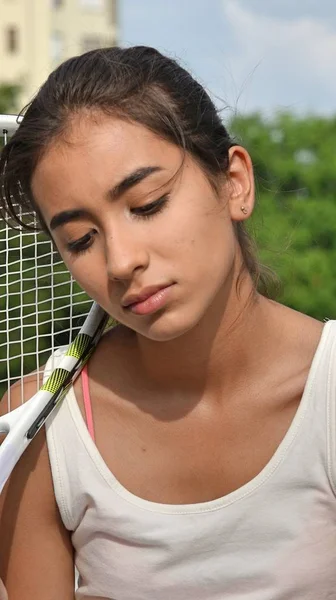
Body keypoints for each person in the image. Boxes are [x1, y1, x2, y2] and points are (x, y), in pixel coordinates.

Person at [0, 45, 335, 600]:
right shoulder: (37, 430)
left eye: (148, 203)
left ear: (234, 182)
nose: (120, 260)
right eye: (81, 240)